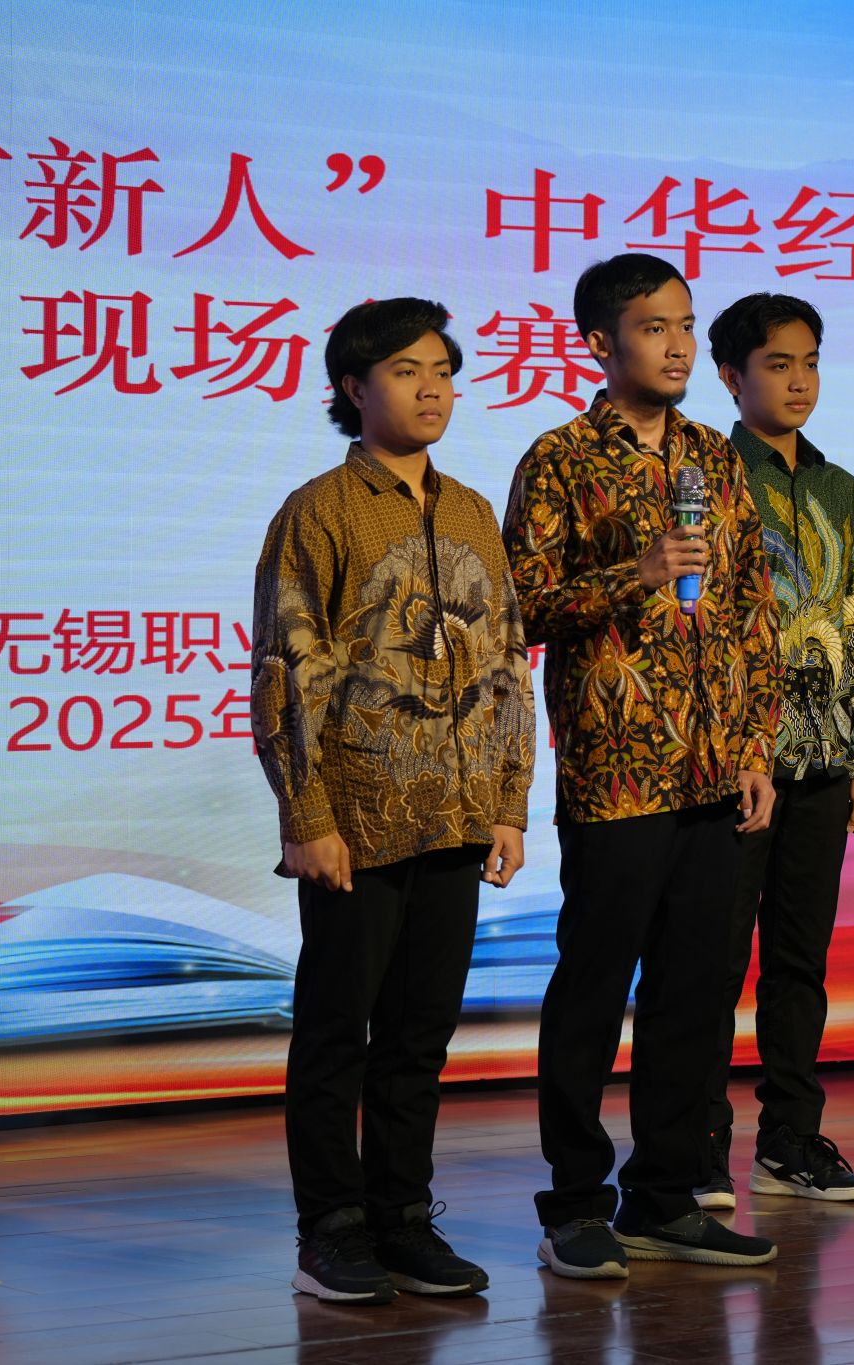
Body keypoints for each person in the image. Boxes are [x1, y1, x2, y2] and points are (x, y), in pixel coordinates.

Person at [502, 253, 782, 1274]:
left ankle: (665, 1196)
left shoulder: (713, 456)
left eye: (685, 325)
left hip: (716, 772)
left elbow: (752, 609)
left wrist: (756, 746)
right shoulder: (559, 458)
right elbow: (520, 607)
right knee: (592, 989)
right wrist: (638, 570)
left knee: (695, 995)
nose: (676, 346)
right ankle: (575, 1204)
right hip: (617, 773)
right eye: (654, 327)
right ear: (599, 343)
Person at [252, 297, 535, 1303]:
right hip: (357, 820)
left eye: (443, 372)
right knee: (339, 1031)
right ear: (352, 388)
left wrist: (509, 801)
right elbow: (287, 670)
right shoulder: (320, 510)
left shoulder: (471, 511)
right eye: (407, 372)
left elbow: (507, 658)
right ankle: (330, 1229)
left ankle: (403, 1216)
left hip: (456, 815)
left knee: (420, 1035)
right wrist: (308, 818)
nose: (431, 390)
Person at [694, 291, 854, 1206]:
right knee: (713, 960)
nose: (799, 380)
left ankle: (791, 1138)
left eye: (810, 362)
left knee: (801, 961)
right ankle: (697, 1146)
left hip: (826, 759)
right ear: (731, 376)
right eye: (778, 364)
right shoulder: (706, 474)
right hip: (738, 761)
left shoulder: (842, 487)